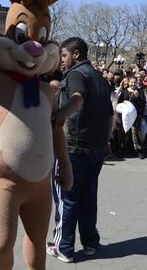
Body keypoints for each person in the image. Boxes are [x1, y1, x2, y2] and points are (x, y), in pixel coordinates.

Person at [48, 37, 114, 262]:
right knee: (88, 197)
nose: (62, 61)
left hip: (73, 148)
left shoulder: (76, 74)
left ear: (76, 54)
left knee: (67, 198)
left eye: (64, 55)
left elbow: (78, 97)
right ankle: (90, 243)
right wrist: (106, 142)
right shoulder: (101, 79)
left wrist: (62, 112)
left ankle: (64, 248)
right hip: (96, 149)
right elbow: (110, 115)